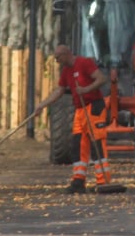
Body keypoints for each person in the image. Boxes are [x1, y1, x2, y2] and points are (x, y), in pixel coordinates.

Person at [36, 44, 111, 194]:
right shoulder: (66, 71)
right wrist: (42, 105)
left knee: (97, 142)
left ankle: (103, 180)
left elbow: (102, 78)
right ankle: (78, 180)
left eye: (58, 58)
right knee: (78, 144)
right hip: (80, 110)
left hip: (93, 106)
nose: (57, 61)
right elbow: (59, 91)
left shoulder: (84, 63)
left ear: (65, 54)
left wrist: (86, 89)